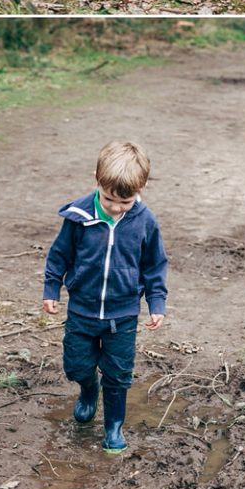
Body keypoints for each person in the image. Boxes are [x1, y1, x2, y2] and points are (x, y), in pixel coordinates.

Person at [43, 140, 167, 454]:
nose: (115, 208)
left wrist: (156, 303)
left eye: (124, 203)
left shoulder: (144, 222)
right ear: (97, 181)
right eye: (110, 199)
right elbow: (59, 256)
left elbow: (154, 265)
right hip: (82, 313)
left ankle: (113, 426)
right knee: (77, 366)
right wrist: (51, 289)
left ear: (142, 188)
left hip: (122, 316)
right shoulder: (77, 217)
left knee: (118, 375)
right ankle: (88, 390)